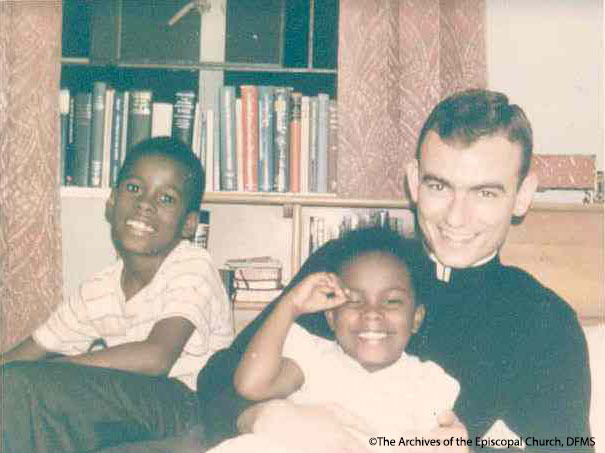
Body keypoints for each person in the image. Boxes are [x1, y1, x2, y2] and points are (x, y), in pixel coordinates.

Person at [197, 89, 592, 452]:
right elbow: (219, 379)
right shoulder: (352, 268)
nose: (456, 216)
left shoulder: (544, 323)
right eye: (439, 187)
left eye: (485, 193)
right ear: (414, 182)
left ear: (522, 196)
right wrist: (265, 418)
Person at [1, 137, 234, 453]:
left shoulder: (192, 264)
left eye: (166, 198)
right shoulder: (99, 288)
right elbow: (29, 352)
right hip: (136, 406)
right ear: (111, 202)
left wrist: (60, 368)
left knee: (28, 388)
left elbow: (157, 357)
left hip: (191, 405)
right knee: (19, 388)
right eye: (134, 188)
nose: (145, 204)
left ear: (189, 224)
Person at [209, 227, 464, 453]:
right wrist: (290, 306)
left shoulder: (428, 381)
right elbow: (251, 385)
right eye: (354, 300)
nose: (372, 312)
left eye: (392, 301)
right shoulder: (313, 356)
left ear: (416, 318)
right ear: (331, 316)